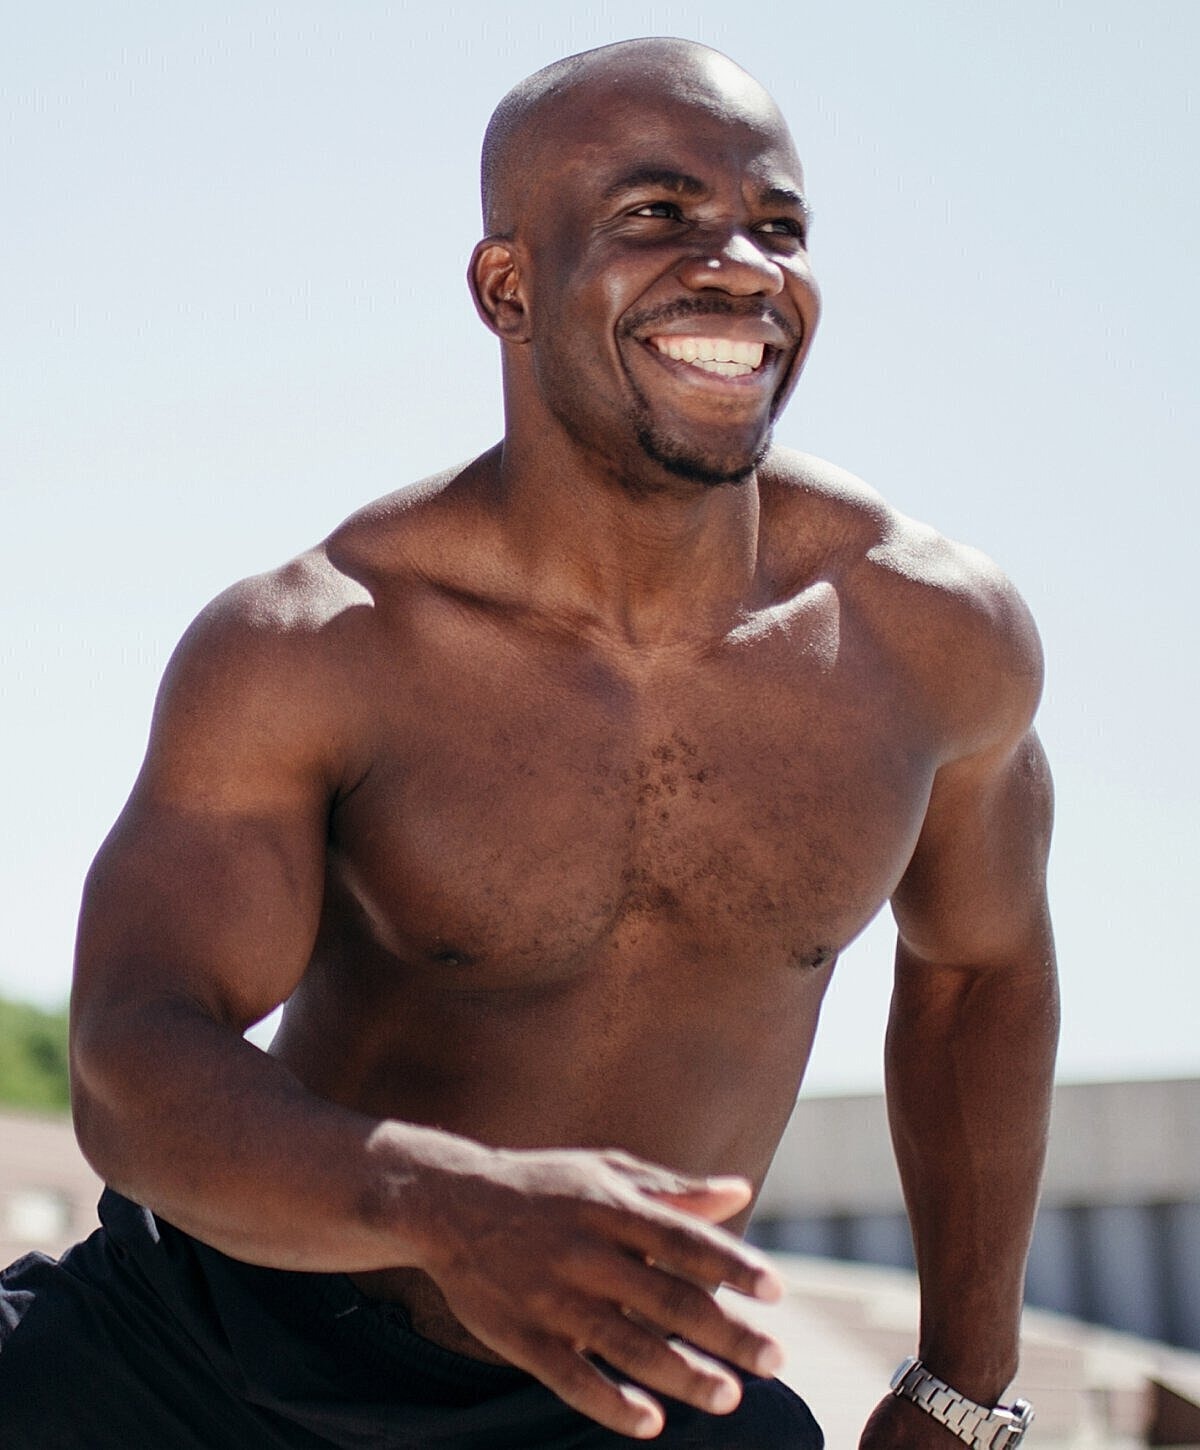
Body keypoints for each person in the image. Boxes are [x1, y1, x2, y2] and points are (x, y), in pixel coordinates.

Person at [0, 36, 1058, 1450]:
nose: (743, 264)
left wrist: (962, 1385)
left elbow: (978, 975)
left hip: (623, 1392)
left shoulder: (930, 641)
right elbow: (137, 1052)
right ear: (509, 285)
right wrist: (445, 1204)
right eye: (658, 216)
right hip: (214, 1342)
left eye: (779, 225)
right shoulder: (320, 641)